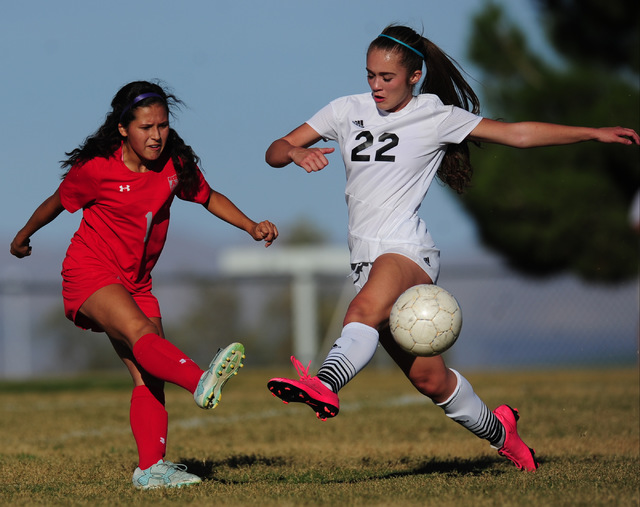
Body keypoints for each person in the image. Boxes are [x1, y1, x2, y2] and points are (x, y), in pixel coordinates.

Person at [264, 25, 639, 472]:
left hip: (405, 250)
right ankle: (507, 436)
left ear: (416, 76)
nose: (376, 85)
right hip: (366, 260)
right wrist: (293, 152)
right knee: (431, 380)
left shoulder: (436, 115)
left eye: (387, 77)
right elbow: (274, 149)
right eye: (370, 76)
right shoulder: (346, 110)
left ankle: (325, 384)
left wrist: (591, 133)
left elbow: (518, 134)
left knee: (361, 312)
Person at [10, 80, 279, 489]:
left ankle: (151, 470)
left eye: (163, 126)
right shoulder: (98, 170)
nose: (156, 135)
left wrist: (250, 225)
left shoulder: (174, 164)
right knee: (141, 335)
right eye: (146, 127)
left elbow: (207, 197)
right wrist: (22, 236)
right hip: (90, 272)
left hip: (137, 283)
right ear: (123, 128)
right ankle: (200, 380)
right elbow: (56, 201)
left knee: (148, 375)